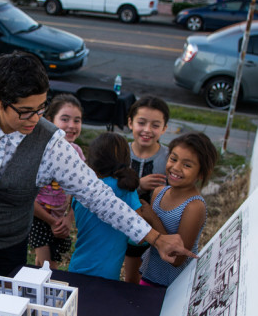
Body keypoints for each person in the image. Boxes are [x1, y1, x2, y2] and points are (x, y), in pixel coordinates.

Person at [0, 51, 193, 277]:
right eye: (25, 111)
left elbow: (98, 196)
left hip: (6, 248)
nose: (35, 118)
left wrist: (156, 238)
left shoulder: (52, 145)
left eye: (41, 108)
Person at [139, 132, 218, 288]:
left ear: (202, 173)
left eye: (187, 165)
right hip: (150, 273)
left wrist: (152, 217)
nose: (176, 167)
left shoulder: (194, 206)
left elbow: (177, 258)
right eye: (173, 159)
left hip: (173, 285)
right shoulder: (158, 192)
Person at [68, 133, 142, 280]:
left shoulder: (82, 188)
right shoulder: (125, 190)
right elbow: (138, 237)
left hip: (76, 267)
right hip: (106, 274)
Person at [29, 95, 84, 269]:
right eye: (65, 119)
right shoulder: (39, 151)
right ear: (49, 121)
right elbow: (27, 196)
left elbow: (80, 191)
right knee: (49, 267)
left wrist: (68, 219)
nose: (72, 125)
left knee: (44, 263)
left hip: (60, 219)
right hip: (38, 216)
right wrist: (52, 221)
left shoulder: (77, 153)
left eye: (77, 120)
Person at [123, 96, 170, 284]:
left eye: (155, 125)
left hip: (158, 228)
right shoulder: (120, 153)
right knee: (131, 279)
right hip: (123, 227)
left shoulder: (169, 158)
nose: (147, 130)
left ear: (164, 128)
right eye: (141, 123)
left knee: (151, 281)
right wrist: (139, 185)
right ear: (130, 123)